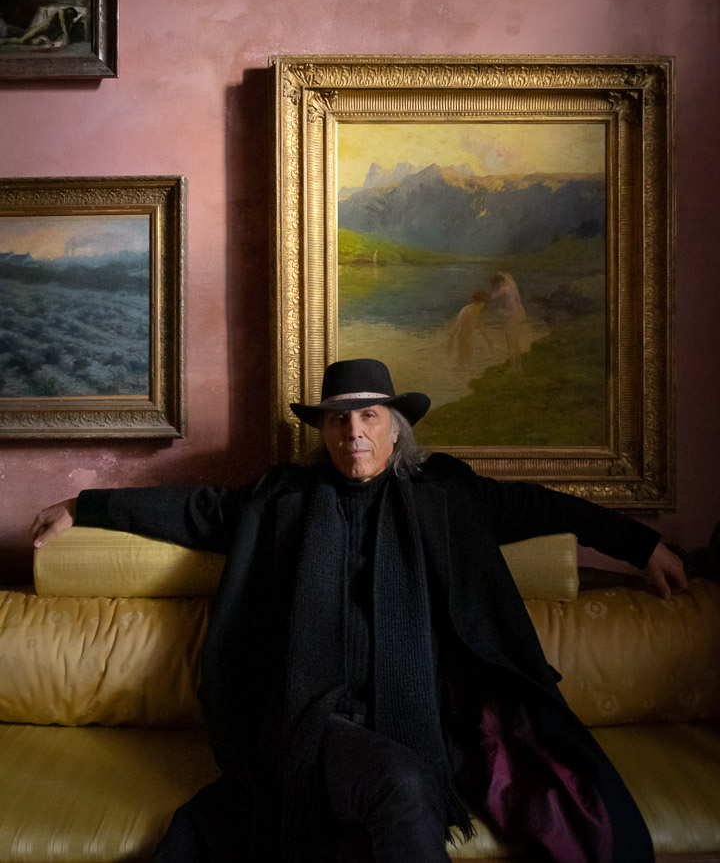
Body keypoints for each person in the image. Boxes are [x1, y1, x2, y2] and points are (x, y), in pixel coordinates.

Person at [31, 358, 686, 863]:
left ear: (395, 426)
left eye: (369, 416)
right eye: (339, 420)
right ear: (323, 432)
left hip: (424, 712)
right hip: (314, 715)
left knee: (468, 794)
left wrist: (642, 545)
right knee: (401, 783)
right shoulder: (283, 498)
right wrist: (82, 506)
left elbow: (542, 506)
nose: (354, 433)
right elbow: (195, 510)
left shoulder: (444, 495)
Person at [447, 291, 498, 366]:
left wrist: (488, 340)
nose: (484, 306)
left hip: (464, 336)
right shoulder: (473, 311)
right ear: (480, 302)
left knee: (463, 359)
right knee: (463, 359)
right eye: (484, 303)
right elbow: (479, 328)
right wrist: (450, 341)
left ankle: (461, 371)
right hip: (464, 337)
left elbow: (479, 327)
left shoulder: (466, 309)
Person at [490, 272, 527, 372]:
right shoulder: (512, 283)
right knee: (515, 342)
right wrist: (499, 274)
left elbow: (492, 297)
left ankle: (513, 367)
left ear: (498, 282)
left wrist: (493, 290)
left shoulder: (503, 289)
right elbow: (506, 274)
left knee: (510, 342)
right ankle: (519, 366)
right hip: (521, 313)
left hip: (514, 316)